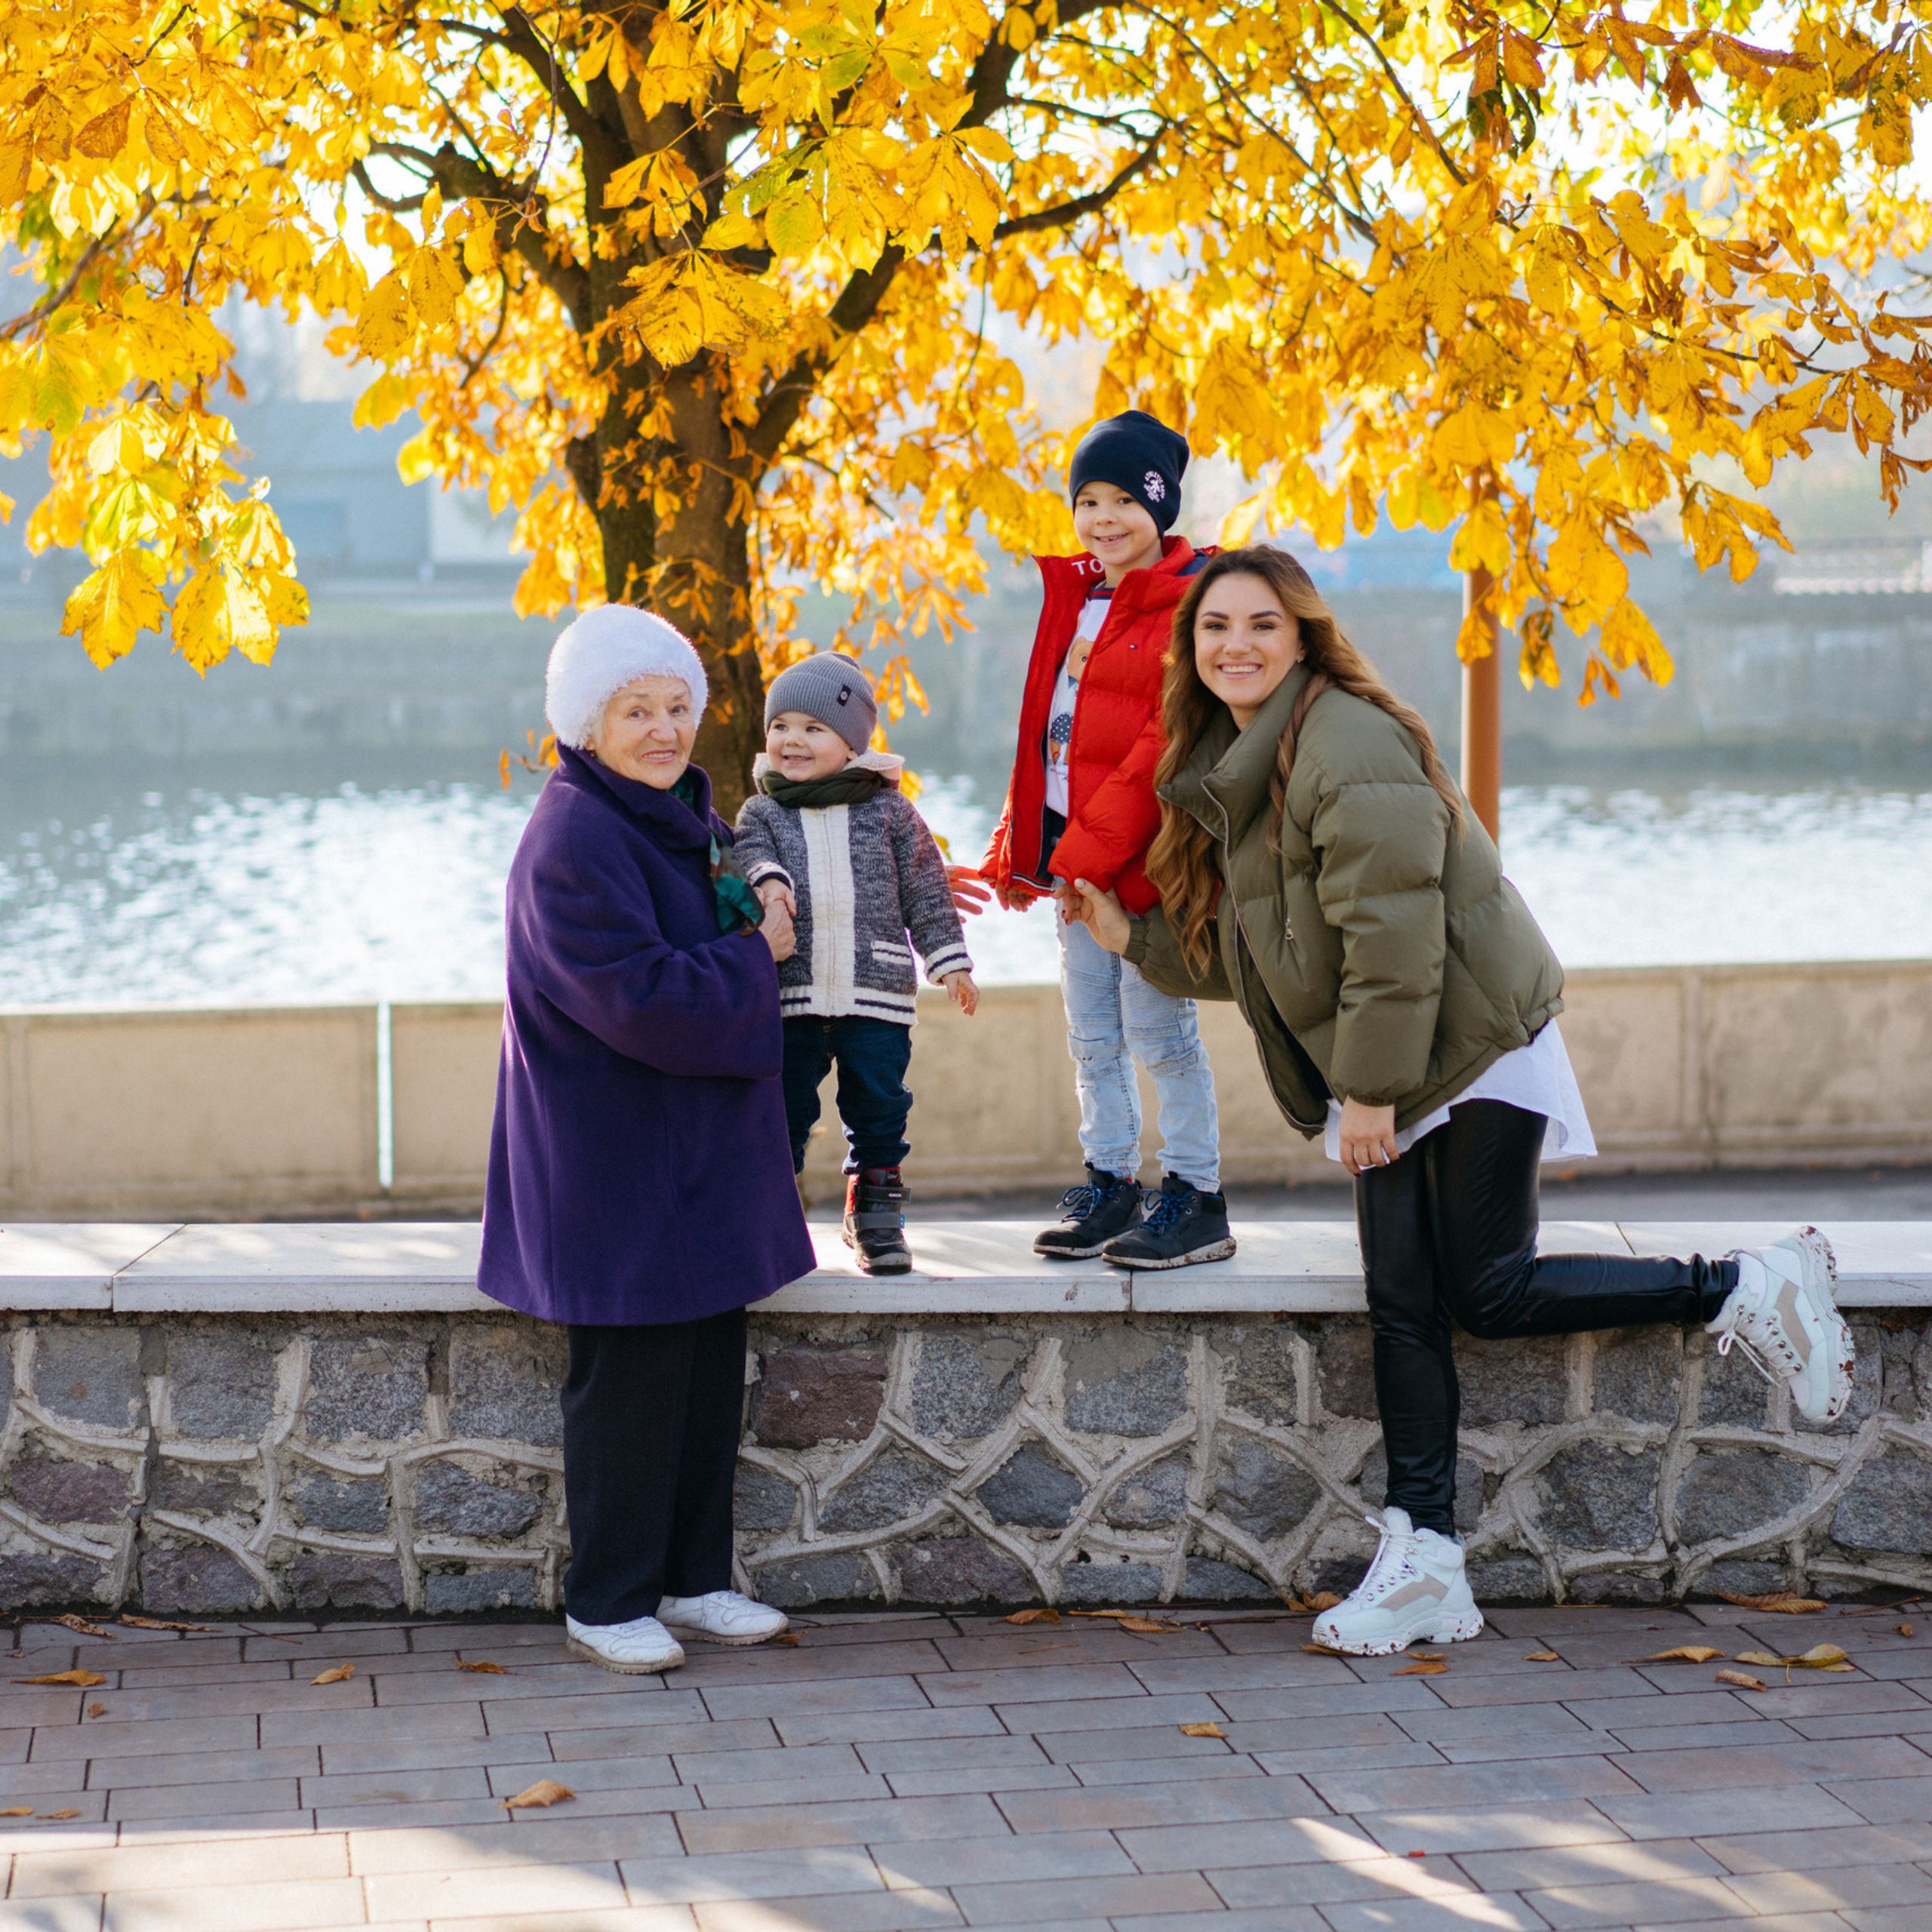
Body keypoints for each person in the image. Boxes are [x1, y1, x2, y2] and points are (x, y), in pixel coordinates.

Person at [1068, 544, 1856, 1656]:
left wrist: (1370, 1091)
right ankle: (1428, 1560)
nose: (1234, 645)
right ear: (1191, 652)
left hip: (1467, 1044)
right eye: (1214, 629)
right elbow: (1273, 956)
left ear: (1303, 638)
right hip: (1400, 1054)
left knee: (1482, 1289)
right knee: (1406, 1303)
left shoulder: (1343, 740)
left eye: (1259, 626)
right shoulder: (1245, 758)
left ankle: (1748, 1284)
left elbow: (1393, 939)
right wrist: (1135, 939)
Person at [478, 604, 812, 1676]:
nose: (666, 729)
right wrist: (758, 953)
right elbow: (640, 999)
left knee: (708, 1365)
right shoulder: (575, 839)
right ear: (586, 723)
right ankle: (608, 1595)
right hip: (616, 1160)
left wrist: (754, 892)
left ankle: (692, 1578)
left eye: (677, 706)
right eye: (638, 710)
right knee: (629, 1379)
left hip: (684, 1155)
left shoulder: (669, 814)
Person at [975, 409, 1230, 1270]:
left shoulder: (1190, 603)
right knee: (1090, 1036)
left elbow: (1159, 749)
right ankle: (1110, 1180)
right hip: (1073, 868)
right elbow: (1050, 739)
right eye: (1088, 499)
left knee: (1161, 1036)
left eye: (1126, 498)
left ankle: (1196, 1195)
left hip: (1143, 873)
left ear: (1161, 506)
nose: (1104, 517)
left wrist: (1080, 861)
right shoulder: (1076, 598)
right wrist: (1021, 843)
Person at [733, 654, 979, 1273]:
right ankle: (767, 1213)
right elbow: (749, 856)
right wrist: (769, 886)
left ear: (851, 743)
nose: (793, 740)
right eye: (781, 725)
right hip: (793, 995)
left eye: (813, 728)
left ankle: (875, 1214)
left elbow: (926, 891)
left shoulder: (891, 812)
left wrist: (949, 963)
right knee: (783, 1108)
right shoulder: (762, 810)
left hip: (877, 993)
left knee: (879, 1105)